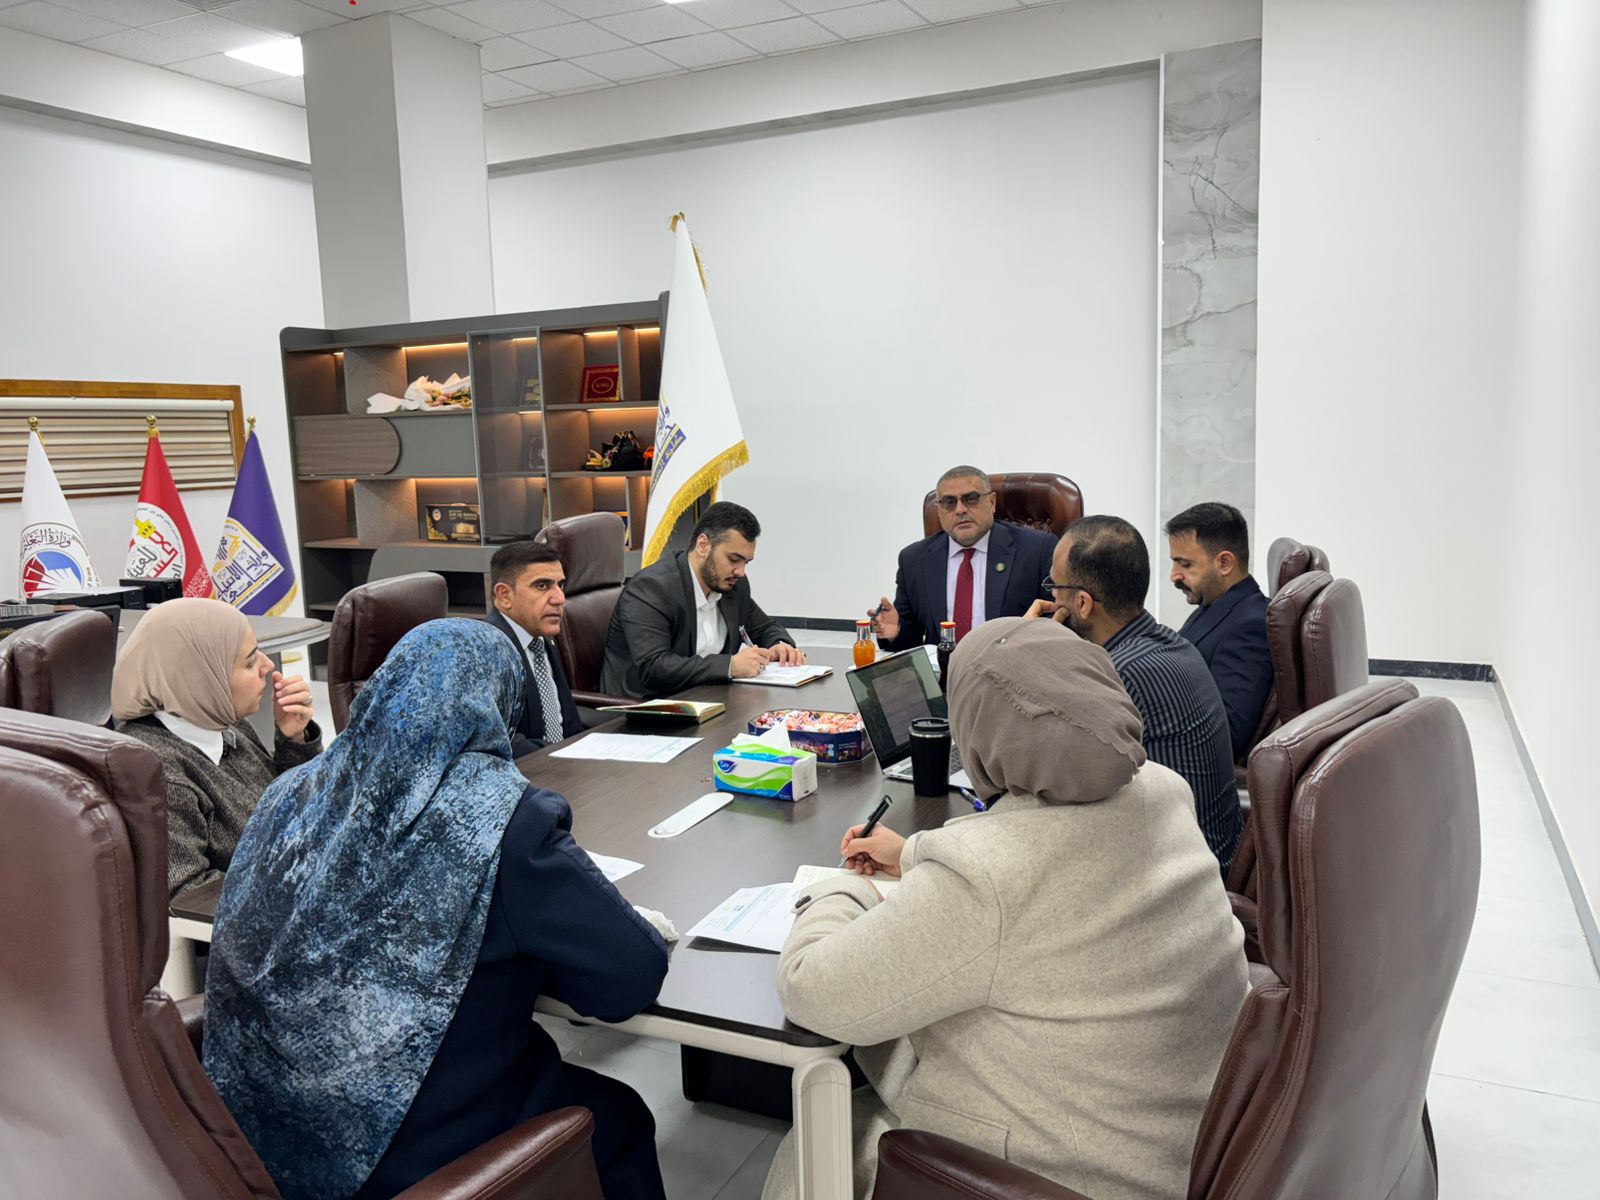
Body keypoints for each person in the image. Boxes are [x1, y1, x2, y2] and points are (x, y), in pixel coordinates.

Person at [763, 617, 1249, 1200]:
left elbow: (811, 990)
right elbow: (1059, 866)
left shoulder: (987, 876)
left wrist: (840, 891)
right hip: (1186, 1141)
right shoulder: (1165, 790)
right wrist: (913, 855)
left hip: (1068, 1176)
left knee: (820, 1140)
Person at [202, 620, 670, 1200]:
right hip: (402, 1144)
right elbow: (630, 979)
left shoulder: (290, 791)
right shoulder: (504, 818)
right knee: (619, 1115)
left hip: (261, 1129)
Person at [1025, 515, 1242, 868]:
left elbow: (1040, 775)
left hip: (1179, 874)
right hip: (1204, 850)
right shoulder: (1168, 643)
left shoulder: (1115, 676)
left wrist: (1022, 649)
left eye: (1055, 586)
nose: (1051, 596)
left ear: (1083, 603)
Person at [111, 597, 321, 901]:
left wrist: (295, 739)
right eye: (250, 661)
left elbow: (296, 809)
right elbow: (189, 896)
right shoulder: (160, 776)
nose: (268, 665)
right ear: (201, 678)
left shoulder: (224, 725)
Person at [600, 500, 803, 698]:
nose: (740, 571)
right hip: (644, 707)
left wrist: (780, 645)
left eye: (746, 562)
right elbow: (654, 667)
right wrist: (730, 666)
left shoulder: (733, 585)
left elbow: (764, 627)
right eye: (733, 559)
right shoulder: (651, 589)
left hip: (706, 699)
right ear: (703, 545)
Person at [868, 465, 1056, 650]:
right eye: (949, 502)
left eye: (971, 499)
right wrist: (896, 631)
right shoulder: (914, 559)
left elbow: (1055, 621)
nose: (960, 510)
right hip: (943, 668)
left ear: (991, 502)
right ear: (939, 510)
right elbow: (912, 641)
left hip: (1011, 665)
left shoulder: (1037, 550)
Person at [1166, 501, 1273, 760]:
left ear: (1224, 562)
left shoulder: (1250, 626)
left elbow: (1227, 734)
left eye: (1185, 564)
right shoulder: (1218, 604)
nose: (1174, 576)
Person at [487, 540, 583, 755]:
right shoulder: (487, 652)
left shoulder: (540, 638)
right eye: (542, 586)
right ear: (505, 595)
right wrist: (563, 753)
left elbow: (568, 723)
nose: (559, 599)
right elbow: (499, 742)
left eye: (561, 585)